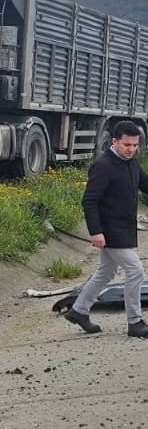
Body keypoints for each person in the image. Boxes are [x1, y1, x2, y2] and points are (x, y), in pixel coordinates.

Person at [62, 121, 148, 338]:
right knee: (135, 270)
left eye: (135, 145)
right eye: (127, 145)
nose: (131, 149)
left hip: (125, 228)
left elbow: (145, 185)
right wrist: (95, 232)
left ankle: (79, 311)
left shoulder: (132, 163)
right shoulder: (103, 166)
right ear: (114, 141)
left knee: (106, 272)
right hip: (110, 230)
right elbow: (89, 202)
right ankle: (135, 322)